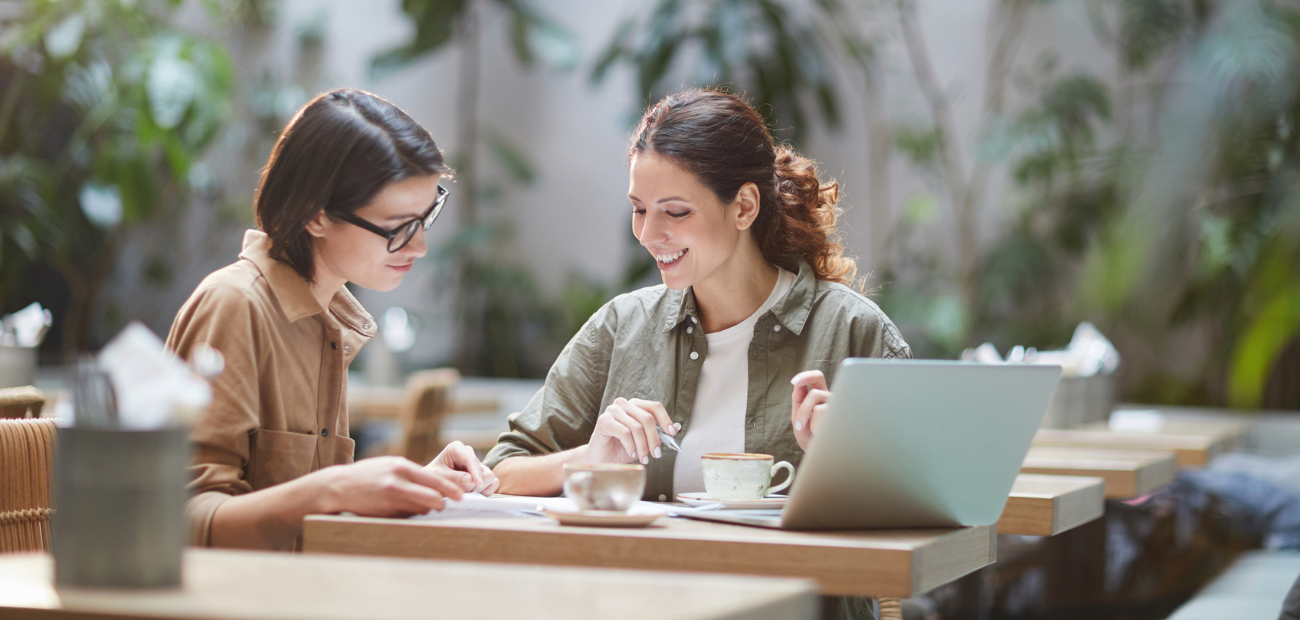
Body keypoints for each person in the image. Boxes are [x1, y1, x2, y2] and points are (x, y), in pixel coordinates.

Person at [484, 89, 911, 500]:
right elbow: (500, 472)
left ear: (744, 206)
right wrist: (590, 459)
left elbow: (928, 507)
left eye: (676, 211)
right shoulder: (621, 328)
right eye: (639, 209)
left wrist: (845, 463)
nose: (648, 234)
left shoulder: (853, 333)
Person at [167, 88, 498, 551]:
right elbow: (180, 518)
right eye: (399, 227)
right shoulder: (234, 306)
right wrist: (335, 489)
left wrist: (411, 483)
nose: (419, 246)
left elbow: (301, 512)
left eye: (426, 218)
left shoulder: (328, 318)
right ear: (316, 215)